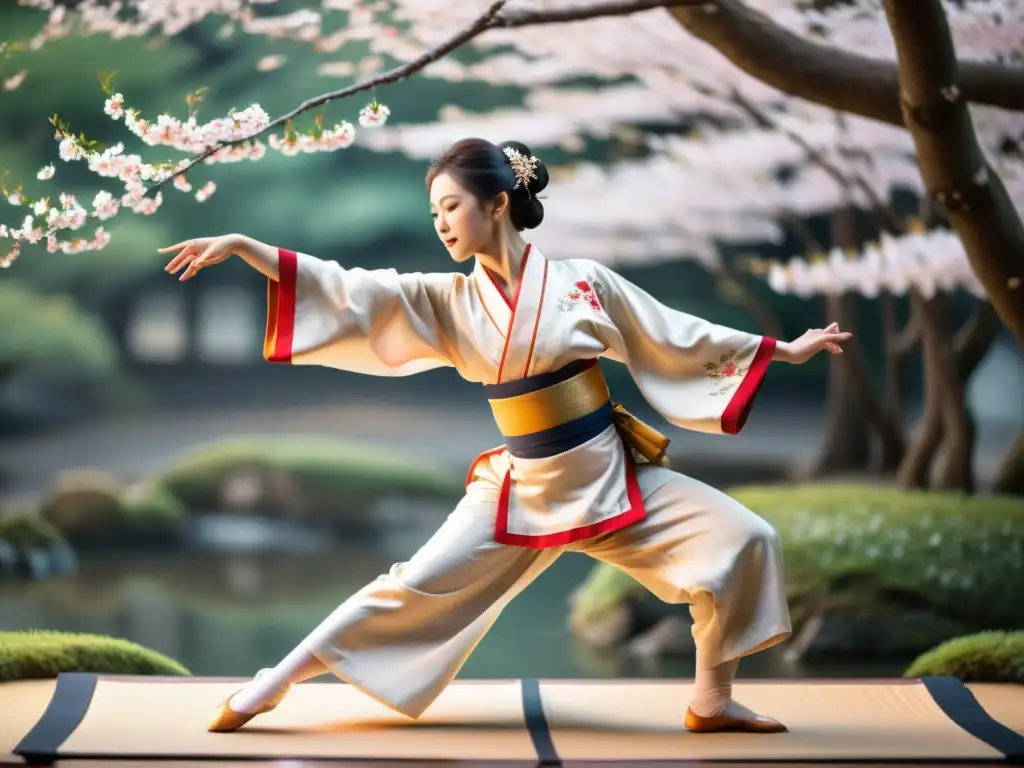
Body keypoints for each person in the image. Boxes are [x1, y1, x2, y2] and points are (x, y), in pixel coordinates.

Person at [161, 138, 851, 735]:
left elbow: (668, 332)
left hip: (612, 478)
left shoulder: (584, 284)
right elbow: (353, 289)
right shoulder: (450, 300)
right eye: (433, 213)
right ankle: (274, 680)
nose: (440, 224)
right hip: (520, 490)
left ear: (497, 204)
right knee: (412, 586)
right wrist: (253, 251)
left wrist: (780, 351)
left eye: (451, 207)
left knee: (746, 539)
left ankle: (712, 700)